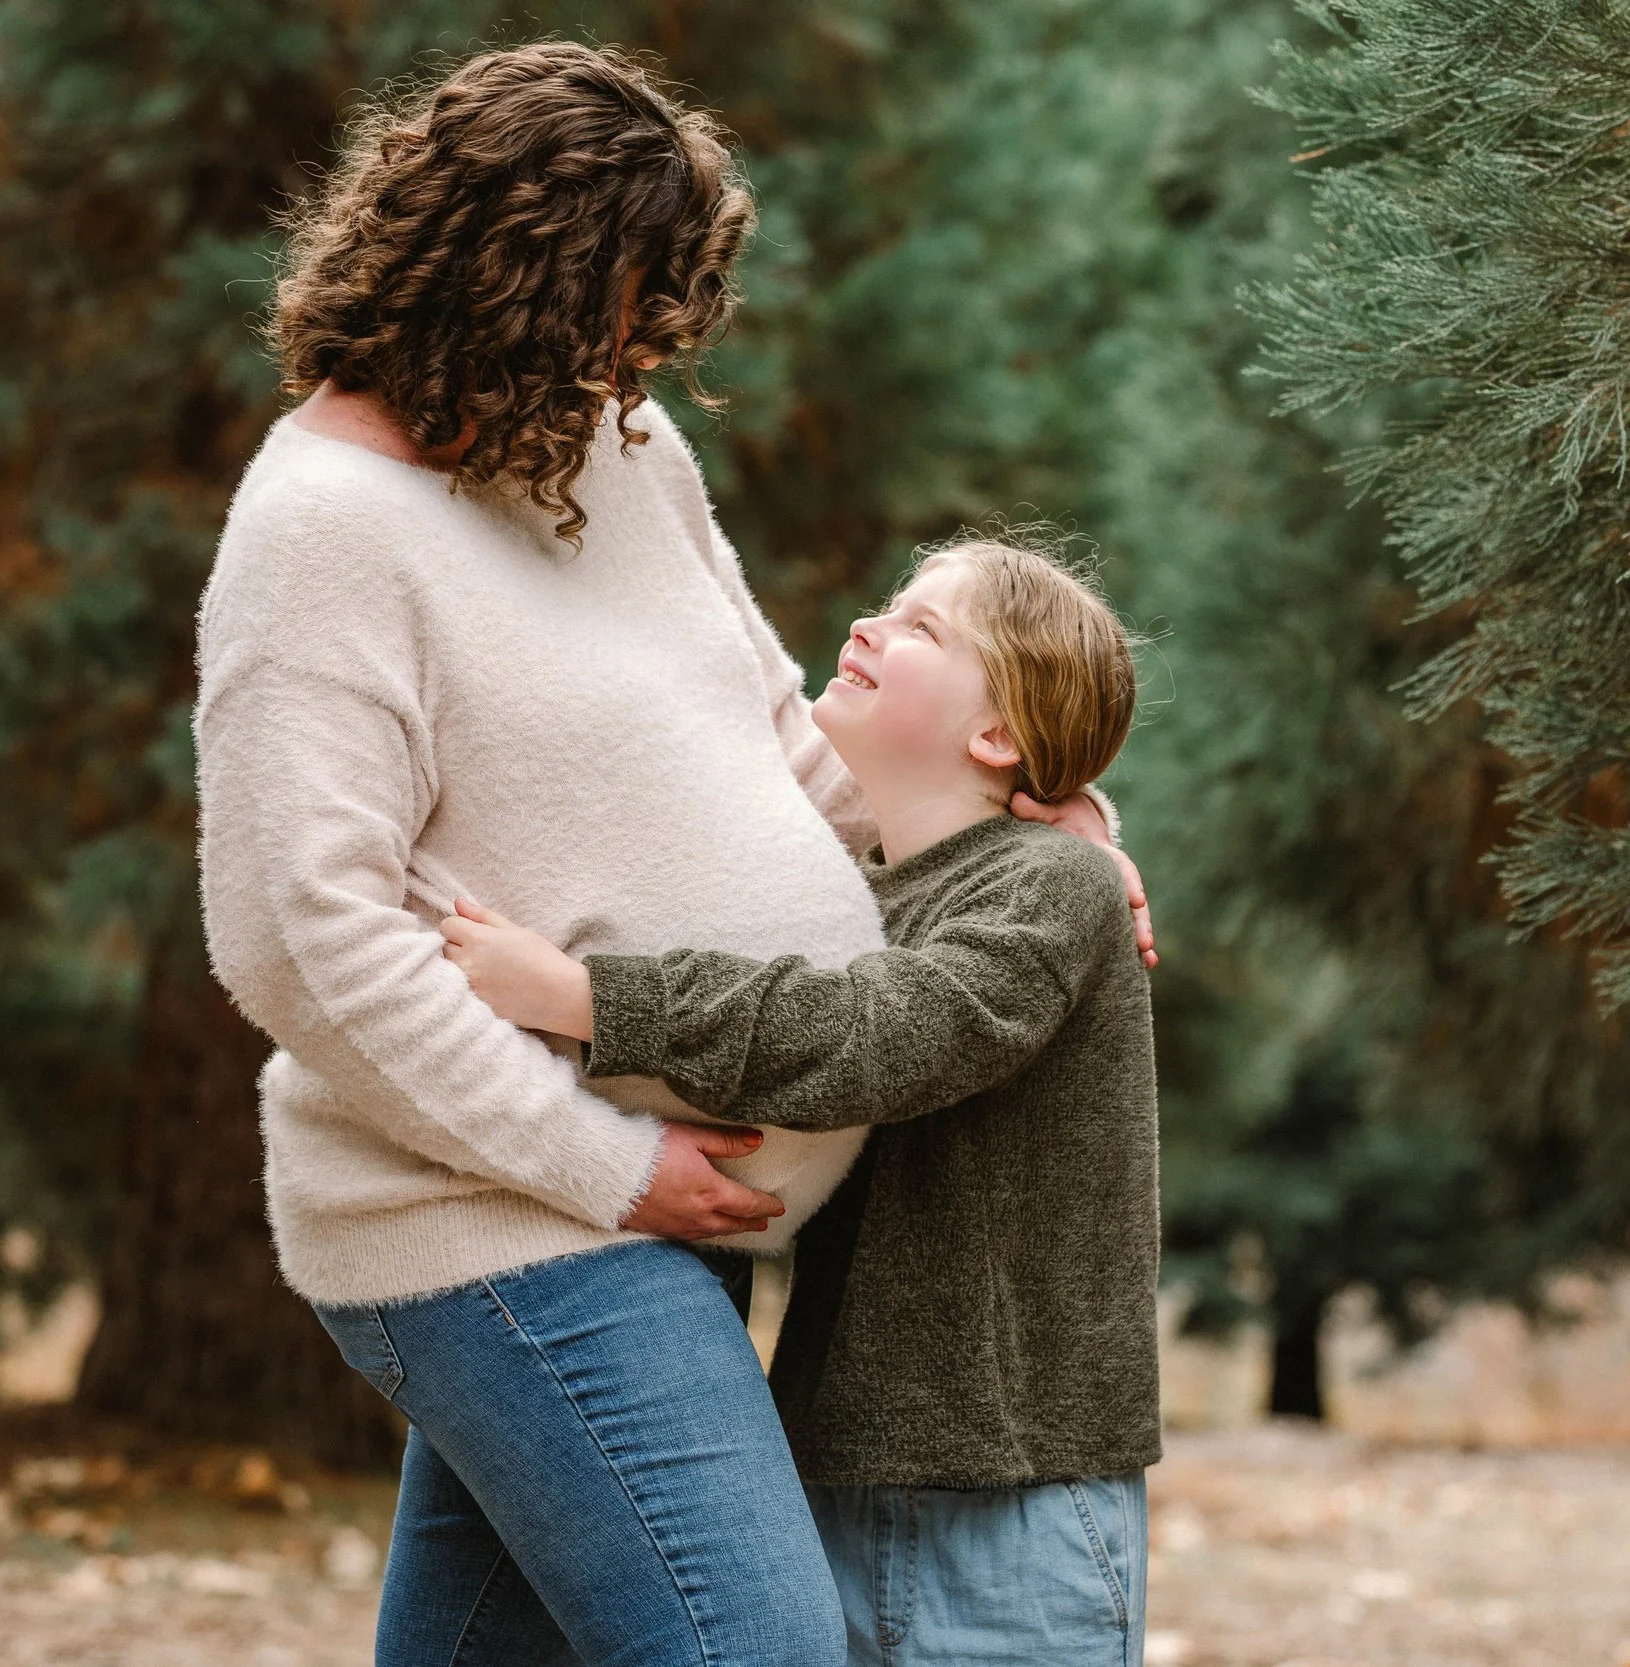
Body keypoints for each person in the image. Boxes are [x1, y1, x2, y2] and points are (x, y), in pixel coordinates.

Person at [193, 43, 1149, 1667]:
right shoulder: (323, 537)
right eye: (631, 314)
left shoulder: (611, 448)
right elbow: (302, 941)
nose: (646, 364)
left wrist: (1010, 839)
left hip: (664, 1214)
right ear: (520, 281)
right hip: (504, 1216)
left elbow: (767, 729)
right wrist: (613, 1167)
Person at [443, 536, 1161, 1666]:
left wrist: (582, 996)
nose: (870, 624)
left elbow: (872, 1034)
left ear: (997, 734)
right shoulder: (867, 893)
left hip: (1009, 1505)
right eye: (886, 603)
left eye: (924, 626)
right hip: (829, 1473)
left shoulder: (1052, 885)